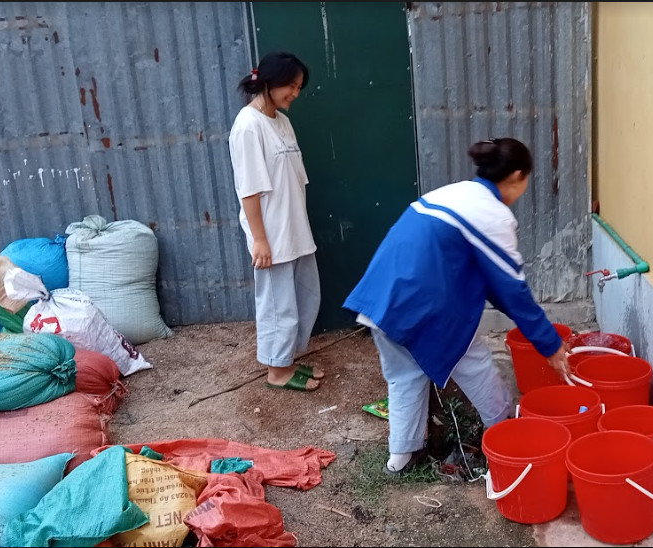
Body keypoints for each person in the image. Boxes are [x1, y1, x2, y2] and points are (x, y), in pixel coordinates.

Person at [344, 138, 571, 474]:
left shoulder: (453, 193)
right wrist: (550, 344)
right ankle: (507, 432)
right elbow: (513, 291)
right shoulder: (493, 215)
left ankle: (401, 458)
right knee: (474, 362)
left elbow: (495, 285)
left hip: (382, 299)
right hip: (424, 309)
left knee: (405, 376)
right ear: (517, 177)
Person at [228, 51, 325, 392]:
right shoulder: (248, 126)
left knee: (302, 297)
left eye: (299, 87)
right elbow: (249, 189)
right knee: (277, 304)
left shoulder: (281, 121)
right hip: (270, 232)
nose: (295, 94)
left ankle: (286, 360)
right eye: (291, 86)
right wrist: (259, 239)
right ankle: (276, 371)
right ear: (269, 83)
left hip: (294, 226)